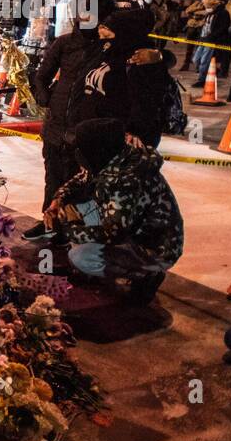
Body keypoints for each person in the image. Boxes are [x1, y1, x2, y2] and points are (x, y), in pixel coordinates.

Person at [45, 116, 183, 304]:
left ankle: (146, 275)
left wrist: (67, 227)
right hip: (129, 228)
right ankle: (102, 269)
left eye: (81, 147)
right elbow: (81, 179)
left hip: (155, 247)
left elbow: (113, 232)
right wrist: (58, 200)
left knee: (80, 256)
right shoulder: (112, 158)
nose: (77, 152)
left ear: (98, 148)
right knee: (72, 209)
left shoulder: (128, 178)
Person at [25, 0, 106, 241]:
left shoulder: (104, 51)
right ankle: (49, 221)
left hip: (83, 126)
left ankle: (71, 226)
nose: (83, 18)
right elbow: (41, 75)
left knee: (77, 181)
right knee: (53, 175)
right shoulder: (63, 43)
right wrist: (44, 96)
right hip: (56, 122)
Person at [191, 0, 231, 89]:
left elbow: (223, 28)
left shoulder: (223, 13)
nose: (206, 9)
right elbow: (206, 26)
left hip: (211, 41)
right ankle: (208, 74)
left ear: (213, 6)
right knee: (196, 59)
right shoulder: (210, 13)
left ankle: (202, 80)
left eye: (207, 6)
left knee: (204, 61)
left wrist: (212, 36)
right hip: (203, 39)